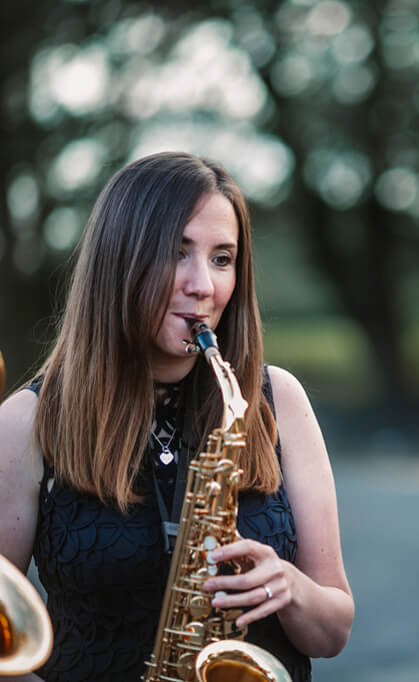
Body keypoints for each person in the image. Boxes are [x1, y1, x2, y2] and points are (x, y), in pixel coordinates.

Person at [0, 152, 354, 681]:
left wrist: (290, 587)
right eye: (177, 252)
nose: (203, 286)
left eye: (222, 258)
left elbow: (333, 633)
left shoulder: (277, 399)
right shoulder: (27, 422)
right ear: (119, 262)